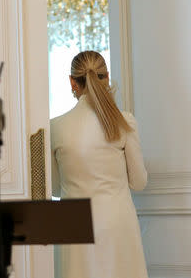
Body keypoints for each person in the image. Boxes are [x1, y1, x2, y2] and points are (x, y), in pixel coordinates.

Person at [50, 50, 148, 278]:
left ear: (72, 82)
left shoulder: (55, 127)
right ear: (106, 77)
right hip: (117, 224)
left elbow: (56, 188)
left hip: (73, 227)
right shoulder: (125, 122)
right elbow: (139, 182)